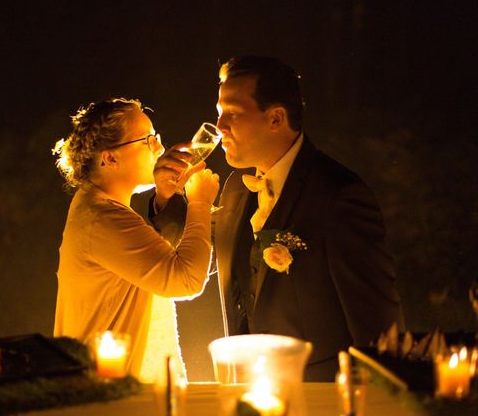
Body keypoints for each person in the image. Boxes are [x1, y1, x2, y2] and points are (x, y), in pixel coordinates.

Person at [152, 56, 404, 381]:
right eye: (219, 114)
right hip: (245, 396)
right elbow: (193, 252)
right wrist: (166, 197)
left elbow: (377, 325)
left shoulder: (338, 195)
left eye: (233, 114)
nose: (221, 127)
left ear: (275, 119)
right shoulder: (234, 190)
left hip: (318, 400)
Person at [52, 98, 219, 382]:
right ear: (110, 158)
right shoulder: (102, 217)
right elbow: (185, 279)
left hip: (103, 381)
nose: (159, 148)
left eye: (156, 137)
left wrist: (168, 198)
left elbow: (156, 263)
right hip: (105, 390)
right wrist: (200, 202)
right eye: (147, 140)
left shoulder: (99, 207)